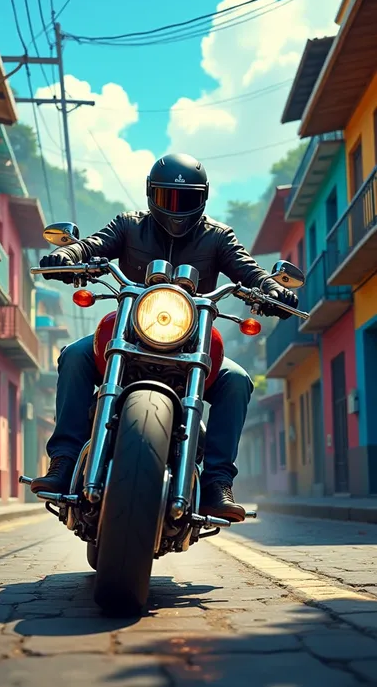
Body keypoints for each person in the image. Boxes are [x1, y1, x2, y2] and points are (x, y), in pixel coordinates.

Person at [31, 153, 298, 522]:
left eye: (185, 200)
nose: (176, 208)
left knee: (236, 380)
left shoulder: (217, 237)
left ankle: (217, 483)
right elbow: (93, 245)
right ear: (150, 195)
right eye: (167, 197)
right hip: (130, 332)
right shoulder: (128, 226)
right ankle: (63, 461)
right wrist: (70, 253)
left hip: (190, 340)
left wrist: (270, 288)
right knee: (75, 356)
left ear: (202, 199)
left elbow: (246, 269)